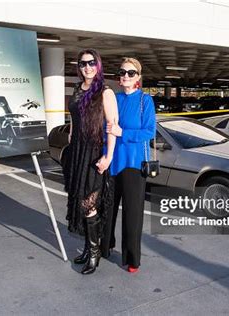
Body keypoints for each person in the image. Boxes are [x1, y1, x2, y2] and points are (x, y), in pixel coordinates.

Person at [63, 49, 118, 275]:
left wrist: (108, 157)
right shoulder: (77, 90)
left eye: (91, 63)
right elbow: (74, 118)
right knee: (80, 200)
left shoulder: (105, 92)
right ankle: (87, 249)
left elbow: (112, 127)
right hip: (76, 151)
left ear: (98, 65)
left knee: (89, 204)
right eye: (83, 63)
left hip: (94, 153)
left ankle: (95, 254)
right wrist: (71, 134)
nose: (87, 67)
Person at [101, 57, 156, 273]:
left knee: (132, 215)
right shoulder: (113, 98)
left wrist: (123, 132)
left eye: (131, 73)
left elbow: (149, 131)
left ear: (138, 78)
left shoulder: (145, 100)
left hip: (134, 164)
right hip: (112, 161)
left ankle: (132, 259)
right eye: (122, 72)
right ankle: (104, 247)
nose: (125, 76)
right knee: (107, 210)